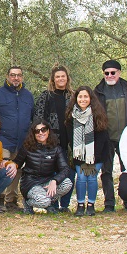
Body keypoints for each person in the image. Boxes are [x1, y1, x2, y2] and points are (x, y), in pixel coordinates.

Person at [94, 59, 127, 213]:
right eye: (107, 73)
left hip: (126, 137)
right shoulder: (97, 91)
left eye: (113, 72)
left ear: (119, 73)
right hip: (106, 138)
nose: (110, 75)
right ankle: (109, 203)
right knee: (106, 171)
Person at [33, 64, 75, 211]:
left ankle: (65, 205)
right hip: (51, 142)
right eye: (57, 76)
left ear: (67, 78)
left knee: (69, 172)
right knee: (53, 173)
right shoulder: (46, 96)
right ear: (53, 79)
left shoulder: (73, 96)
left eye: (63, 76)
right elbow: (38, 118)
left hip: (70, 142)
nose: (60, 78)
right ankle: (52, 203)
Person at [0, 66, 34, 211]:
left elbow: (32, 118)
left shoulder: (28, 96)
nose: (15, 78)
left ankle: (11, 200)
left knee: (16, 170)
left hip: (22, 140)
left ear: (22, 77)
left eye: (18, 75)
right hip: (3, 139)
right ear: (7, 76)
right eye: (12, 75)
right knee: (2, 167)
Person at [65, 86, 110, 217]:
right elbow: (71, 138)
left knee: (91, 178)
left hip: (96, 154)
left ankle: (91, 205)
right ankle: (80, 205)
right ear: (76, 98)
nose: (83, 99)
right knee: (81, 178)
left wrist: (92, 157)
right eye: (80, 96)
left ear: (91, 98)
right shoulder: (71, 116)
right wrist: (80, 156)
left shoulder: (97, 115)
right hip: (79, 153)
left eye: (86, 96)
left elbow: (102, 138)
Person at [13, 119, 72, 214]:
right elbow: (17, 163)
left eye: (43, 129)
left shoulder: (56, 149)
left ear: (48, 131)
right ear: (33, 133)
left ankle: (48, 203)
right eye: (37, 131)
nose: (41, 133)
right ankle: (28, 202)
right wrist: (9, 164)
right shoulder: (27, 147)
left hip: (47, 181)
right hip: (30, 183)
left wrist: (55, 180)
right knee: (44, 201)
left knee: (67, 183)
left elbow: (65, 169)